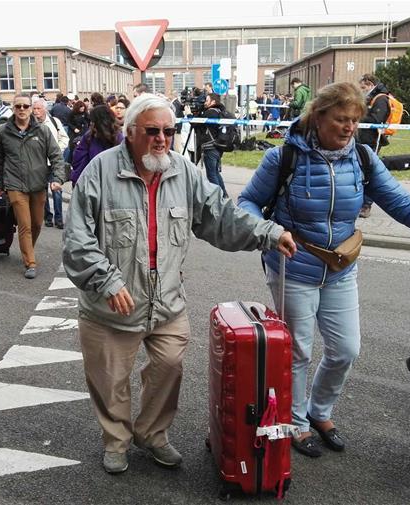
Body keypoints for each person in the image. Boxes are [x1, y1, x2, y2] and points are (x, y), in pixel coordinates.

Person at [238, 82, 410, 458]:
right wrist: (269, 230)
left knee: (346, 349)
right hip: (293, 266)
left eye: (354, 120)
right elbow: (248, 201)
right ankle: (297, 422)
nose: (349, 127)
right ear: (318, 117)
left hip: (340, 267)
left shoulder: (363, 158)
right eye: (340, 119)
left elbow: (401, 204)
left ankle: (320, 411)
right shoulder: (283, 158)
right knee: (298, 352)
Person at [63, 94, 296, 474]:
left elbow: (221, 217)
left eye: (169, 132)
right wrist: (106, 281)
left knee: (169, 366)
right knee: (110, 382)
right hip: (110, 307)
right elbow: (76, 241)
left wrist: (269, 233)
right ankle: (117, 441)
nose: (161, 140)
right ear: (131, 132)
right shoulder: (99, 171)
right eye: (152, 131)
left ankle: (152, 434)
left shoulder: (184, 172)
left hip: (167, 302)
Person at [0, 94, 66, 279]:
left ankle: (28, 249)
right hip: (15, 184)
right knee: (24, 225)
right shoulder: (3, 131)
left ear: (31, 108)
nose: (22, 109)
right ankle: (30, 262)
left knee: (36, 223)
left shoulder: (42, 131)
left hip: (38, 184)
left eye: (26, 106)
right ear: (13, 108)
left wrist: (57, 178)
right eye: (18, 106)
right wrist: (0, 184)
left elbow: (56, 156)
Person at [357, 74, 392, 218]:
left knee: (368, 173)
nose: (362, 90)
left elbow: (376, 119)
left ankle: (366, 205)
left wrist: (358, 115)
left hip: (371, 140)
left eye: (363, 87)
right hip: (364, 138)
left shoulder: (381, 99)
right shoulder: (372, 98)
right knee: (361, 171)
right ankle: (361, 203)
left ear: (370, 84)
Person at [32, 98, 69, 229]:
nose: (36, 112)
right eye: (34, 109)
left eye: (38, 109)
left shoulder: (54, 122)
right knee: (43, 192)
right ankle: (47, 216)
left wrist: (57, 150)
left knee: (56, 191)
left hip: (53, 162)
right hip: (39, 163)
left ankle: (59, 218)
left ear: (45, 109)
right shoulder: (31, 124)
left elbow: (65, 138)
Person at [69, 104, 123, 184]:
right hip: (100, 183)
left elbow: (78, 159)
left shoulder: (90, 137)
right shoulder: (119, 138)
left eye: (92, 121)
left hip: (98, 184)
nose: (91, 124)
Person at [195, 92, 228, 195]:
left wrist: (189, 114)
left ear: (213, 101)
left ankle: (218, 197)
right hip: (217, 146)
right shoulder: (219, 111)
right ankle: (223, 195)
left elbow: (196, 124)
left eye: (207, 100)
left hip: (210, 147)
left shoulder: (210, 113)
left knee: (211, 175)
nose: (205, 102)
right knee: (215, 173)